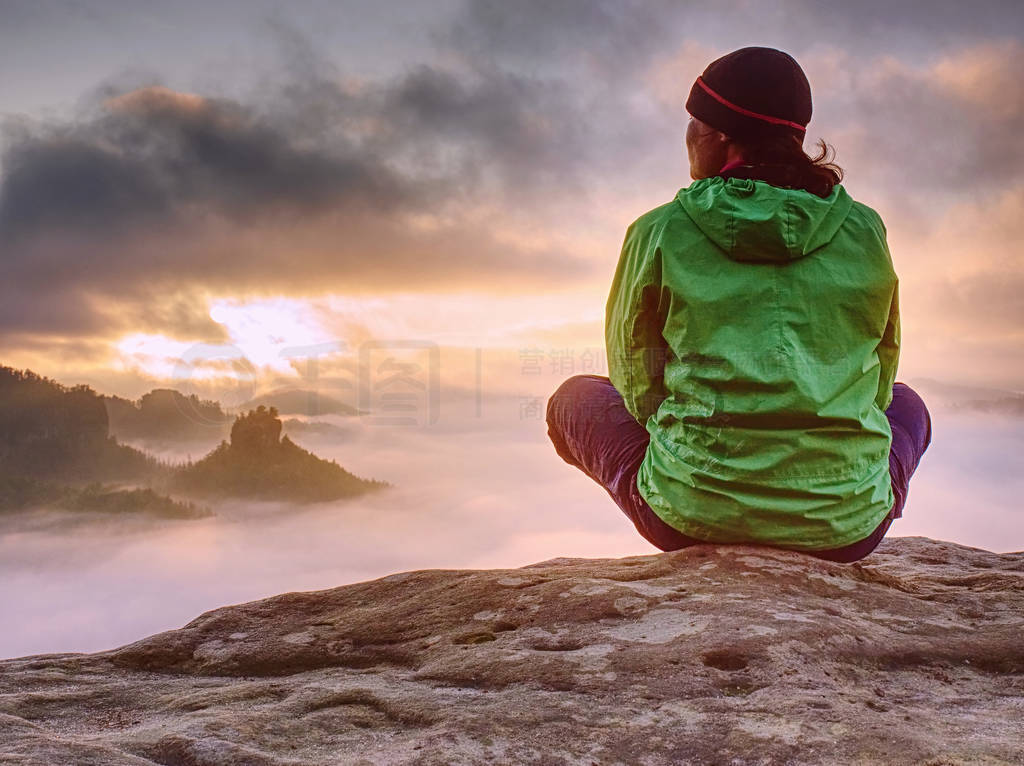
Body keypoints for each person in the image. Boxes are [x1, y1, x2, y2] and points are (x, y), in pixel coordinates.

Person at [545, 46, 932, 563]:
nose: (686, 138)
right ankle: (845, 497)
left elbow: (637, 380)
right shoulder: (865, 228)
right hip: (846, 529)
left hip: (688, 517)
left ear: (721, 134)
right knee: (910, 406)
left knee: (574, 398)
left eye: (692, 123)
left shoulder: (658, 231)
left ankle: (705, 495)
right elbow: (883, 371)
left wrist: (703, 450)